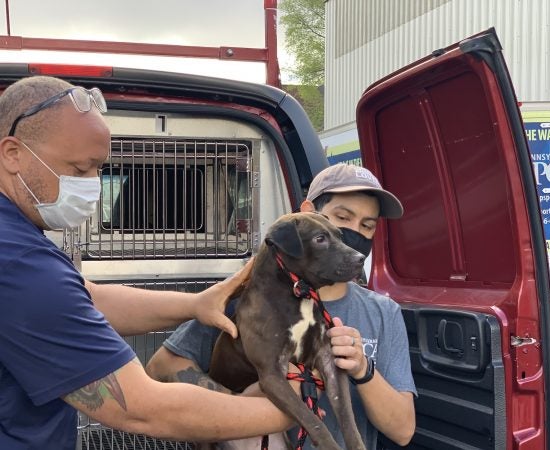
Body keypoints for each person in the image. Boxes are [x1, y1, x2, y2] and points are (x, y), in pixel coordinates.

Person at [0, 76, 301, 450]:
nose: (92, 186)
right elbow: (142, 409)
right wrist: (292, 410)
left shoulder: (14, 237)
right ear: (13, 154)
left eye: (99, 169)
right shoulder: (19, 263)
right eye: (79, 170)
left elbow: (83, 298)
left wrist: (194, 304)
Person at [146, 163, 417, 449]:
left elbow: (402, 430)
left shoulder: (382, 312)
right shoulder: (244, 295)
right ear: (308, 211)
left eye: (367, 226)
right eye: (342, 217)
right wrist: (238, 409)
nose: (354, 233)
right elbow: (161, 367)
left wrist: (363, 369)